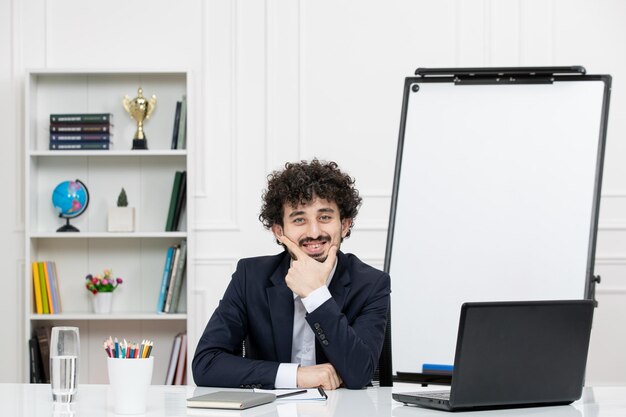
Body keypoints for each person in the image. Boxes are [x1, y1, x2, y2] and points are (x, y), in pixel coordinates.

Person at [192, 159, 391, 390]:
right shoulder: (250, 278)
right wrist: (296, 376)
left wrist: (316, 296)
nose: (314, 232)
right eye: (299, 220)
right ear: (279, 231)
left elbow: (359, 374)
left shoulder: (372, 284)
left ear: (345, 225)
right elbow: (206, 364)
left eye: (324, 217)